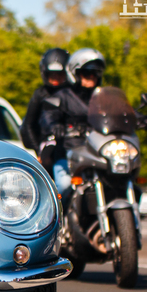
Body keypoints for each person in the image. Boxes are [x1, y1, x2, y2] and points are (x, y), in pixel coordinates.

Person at [39, 48, 106, 199]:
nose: (91, 77)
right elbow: (48, 115)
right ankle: (52, 219)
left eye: (95, 73)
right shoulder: (63, 96)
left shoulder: (102, 97)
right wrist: (54, 126)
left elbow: (120, 111)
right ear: (75, 73)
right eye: (86, 73)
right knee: (64, 185)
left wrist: (139, 118)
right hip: (69, 152)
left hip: (98, 152)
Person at [20, 48, 70, 157]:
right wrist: (38, 150)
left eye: (60, 75)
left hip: (72, 144)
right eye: (52, 75)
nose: (56, 80)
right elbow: (28, 125)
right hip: (49, 145)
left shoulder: (72, 94)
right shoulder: (40, 94)